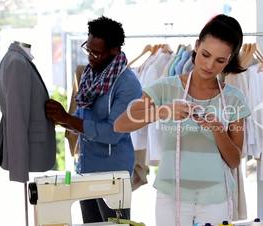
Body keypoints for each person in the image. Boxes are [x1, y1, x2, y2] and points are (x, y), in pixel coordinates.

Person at [114, 14, 251, 226]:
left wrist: (217, 128)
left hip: (216, 198)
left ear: (229, 60)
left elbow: (234, 160)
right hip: (171, 195)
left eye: (220, 60)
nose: (209, 65)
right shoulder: (165, 87)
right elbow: (121, 123)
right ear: (196, 46)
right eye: (205, 54)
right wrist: (161, 112)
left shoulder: (234, 98)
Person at [45, 16, 142, 223]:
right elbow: (81, 121)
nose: (90, 57)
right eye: (88, 49)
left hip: (112, 173)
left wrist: (67, 119)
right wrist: (58, 118)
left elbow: (112, 133)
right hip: (86, 168)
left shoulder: (128, 84)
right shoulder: (91, 75)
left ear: (114, 51)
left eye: (96, 52)